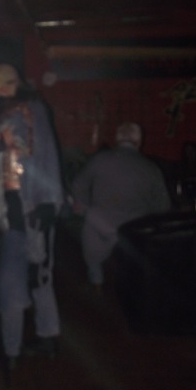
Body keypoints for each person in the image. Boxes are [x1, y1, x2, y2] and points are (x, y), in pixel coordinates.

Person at [0, 63, 64, 367]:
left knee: (25, 277)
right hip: (20, 205)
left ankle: (23, 346)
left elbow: (40, 153)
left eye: (0, 85)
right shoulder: (17, 111)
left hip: (29, 203)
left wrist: (48, 200)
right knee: (27, 276)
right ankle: (31, 343)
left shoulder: (27, 111)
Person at [72, 122, 172, 289]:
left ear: (117, 140)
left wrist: (84, 207)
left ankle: (96, 277)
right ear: (139, 142)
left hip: (101, 226)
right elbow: (163, 205)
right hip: (134, 229)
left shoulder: (101, 160)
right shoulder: (151, 168)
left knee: (92, 231)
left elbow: (78, 185)